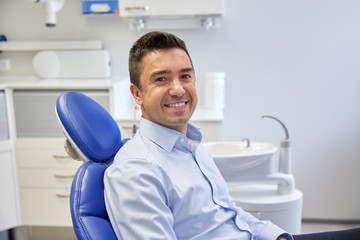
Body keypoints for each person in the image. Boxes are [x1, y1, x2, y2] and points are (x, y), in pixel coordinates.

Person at [104, 31, 360, 240]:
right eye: (161, 79)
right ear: (137, 94)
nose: (178, 89)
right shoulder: (137, 171)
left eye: (185, 76)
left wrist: (276, 236)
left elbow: (230, 213)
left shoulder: (192, 147)